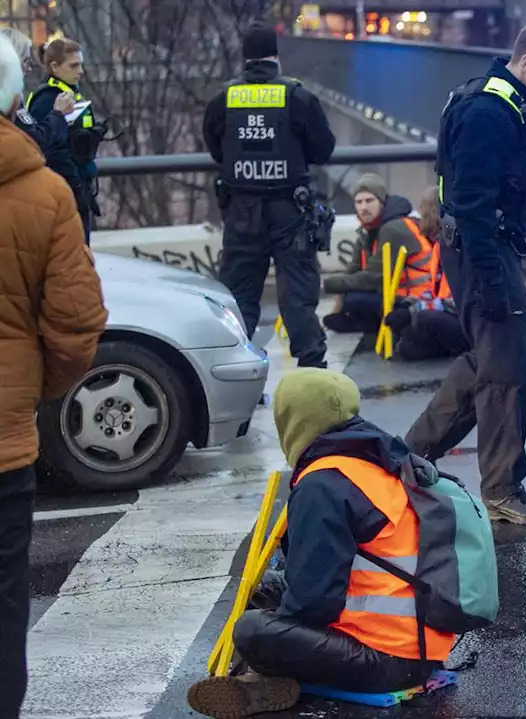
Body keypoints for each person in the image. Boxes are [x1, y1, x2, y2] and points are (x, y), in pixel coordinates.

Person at [185, 369, 458, 719]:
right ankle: (263, 679)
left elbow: (313, 603)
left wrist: (275, 633)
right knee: (268, 591)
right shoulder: (375, 462)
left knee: (253, 631)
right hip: (425, 648)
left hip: (385, 661)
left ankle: (259, 678)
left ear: (295, 420)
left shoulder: (323, 483)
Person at [403, 20, 526, 526]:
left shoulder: (514, 105)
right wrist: (493, 280)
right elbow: (472, 206)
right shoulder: (487, 112)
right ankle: (502, 487)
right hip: (480, 249)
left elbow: (520, 188)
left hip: (492, 246)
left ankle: (408, 458)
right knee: (506, 371)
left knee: (486, 362)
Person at [0, 36, 108, 718]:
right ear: (14, 97)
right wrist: (33, 392)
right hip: (3, 446)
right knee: (6, 602)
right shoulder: (43, 193)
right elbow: (76, 324)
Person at [202, 23, 336, 367]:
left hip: (242, 211)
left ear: (245, 57)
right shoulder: (297, 97)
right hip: (291, 211)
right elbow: (323, 149)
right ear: (275, 56)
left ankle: (235, 375)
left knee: (238, 299)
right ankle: (313, 377)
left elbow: (217, 151)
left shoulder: (224, 99)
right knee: (297, 299)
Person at [322, 173, 428, 335]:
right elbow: (353, 270)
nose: (364, 207)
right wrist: (336, 309)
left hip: (418, 298)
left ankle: (372, 325)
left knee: (354, 299)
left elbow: (372, 278)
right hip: (397, 295)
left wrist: (326, 285)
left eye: (369, 201)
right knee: (345, 306)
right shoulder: (369, 231)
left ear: (382, 203)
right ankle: (368, 324)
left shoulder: (393, 229)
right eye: (359, 202)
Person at [25, 37, 102, 245]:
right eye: (74, 65)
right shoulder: (47, 100)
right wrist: (75, 185)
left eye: (81, 64)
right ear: (54, 67)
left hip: (78, 186)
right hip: (64, 191)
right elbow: (47, 148)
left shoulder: (69, 94)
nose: (81, 71)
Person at [392, 191, 469, 362]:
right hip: (447, 313)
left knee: (424, 318)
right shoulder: (438, 248)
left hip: (465, 320)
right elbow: (434, 290)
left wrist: (415, 310)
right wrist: (410, 304)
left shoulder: (459, 248)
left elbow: (458, 303)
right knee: (405, 344)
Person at [0, 29, 74, 158]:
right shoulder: (8, 98)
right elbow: (32, 141)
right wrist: (58, 114)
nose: (29, 68)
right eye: (26, 61)